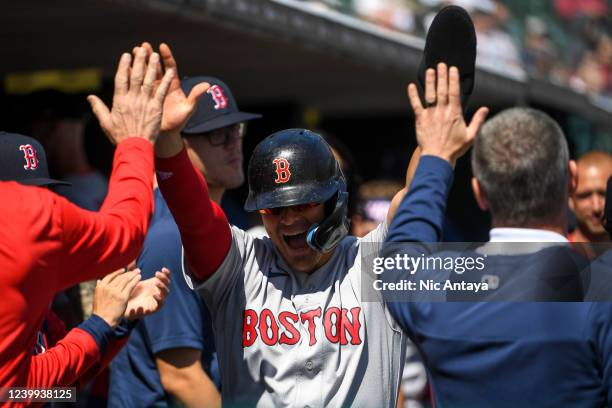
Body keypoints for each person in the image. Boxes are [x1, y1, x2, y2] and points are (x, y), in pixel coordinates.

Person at [142, 41, 420, 407]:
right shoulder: (241, 265)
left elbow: (418, 197)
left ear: (333, 202)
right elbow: (193, 215)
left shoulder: (372, 263)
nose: (288, 219)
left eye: (302, 203)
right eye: (274, 209)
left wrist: (436, 138)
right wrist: (168, 142)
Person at [381, 62, 611, 406]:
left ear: (479, 193)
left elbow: (399, 256)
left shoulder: (436, 290)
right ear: (572, 179)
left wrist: (437, 156)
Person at [0, 46, 178, 389]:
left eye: (45, 190)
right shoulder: (24, 220)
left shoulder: (39, 308)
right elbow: (17, 392)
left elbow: (68, 386)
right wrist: (99, 322)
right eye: (31, 191)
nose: (42, 200)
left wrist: (118, 319)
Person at [110, 71, 261, 408]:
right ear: (178, 143)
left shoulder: (231, 217)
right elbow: (181, 375)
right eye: (216, 135)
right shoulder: (170, 234)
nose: (233, 142)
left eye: (235, 129)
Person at [569, 150, 612, 242]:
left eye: (604, 194)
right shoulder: (554, 254)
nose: (596, 208)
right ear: (570, 200)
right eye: (585, 196)